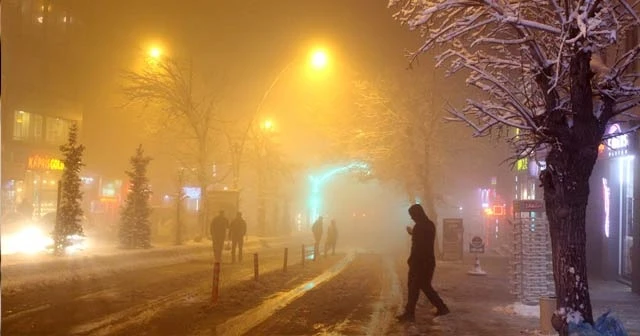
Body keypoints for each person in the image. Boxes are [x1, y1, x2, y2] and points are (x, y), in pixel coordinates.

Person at [397, 204, 449, 322]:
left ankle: (410, 314)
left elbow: (418, 246)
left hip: (419, 262)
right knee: (424, 286)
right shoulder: (429, 224)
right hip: (428, 261)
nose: (412, 218)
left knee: (414, 288)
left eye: (412, 215)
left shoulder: (419, 227)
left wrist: (411, 260)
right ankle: (441, 307)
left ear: (417, 214)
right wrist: (413, 233)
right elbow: (425, 240)